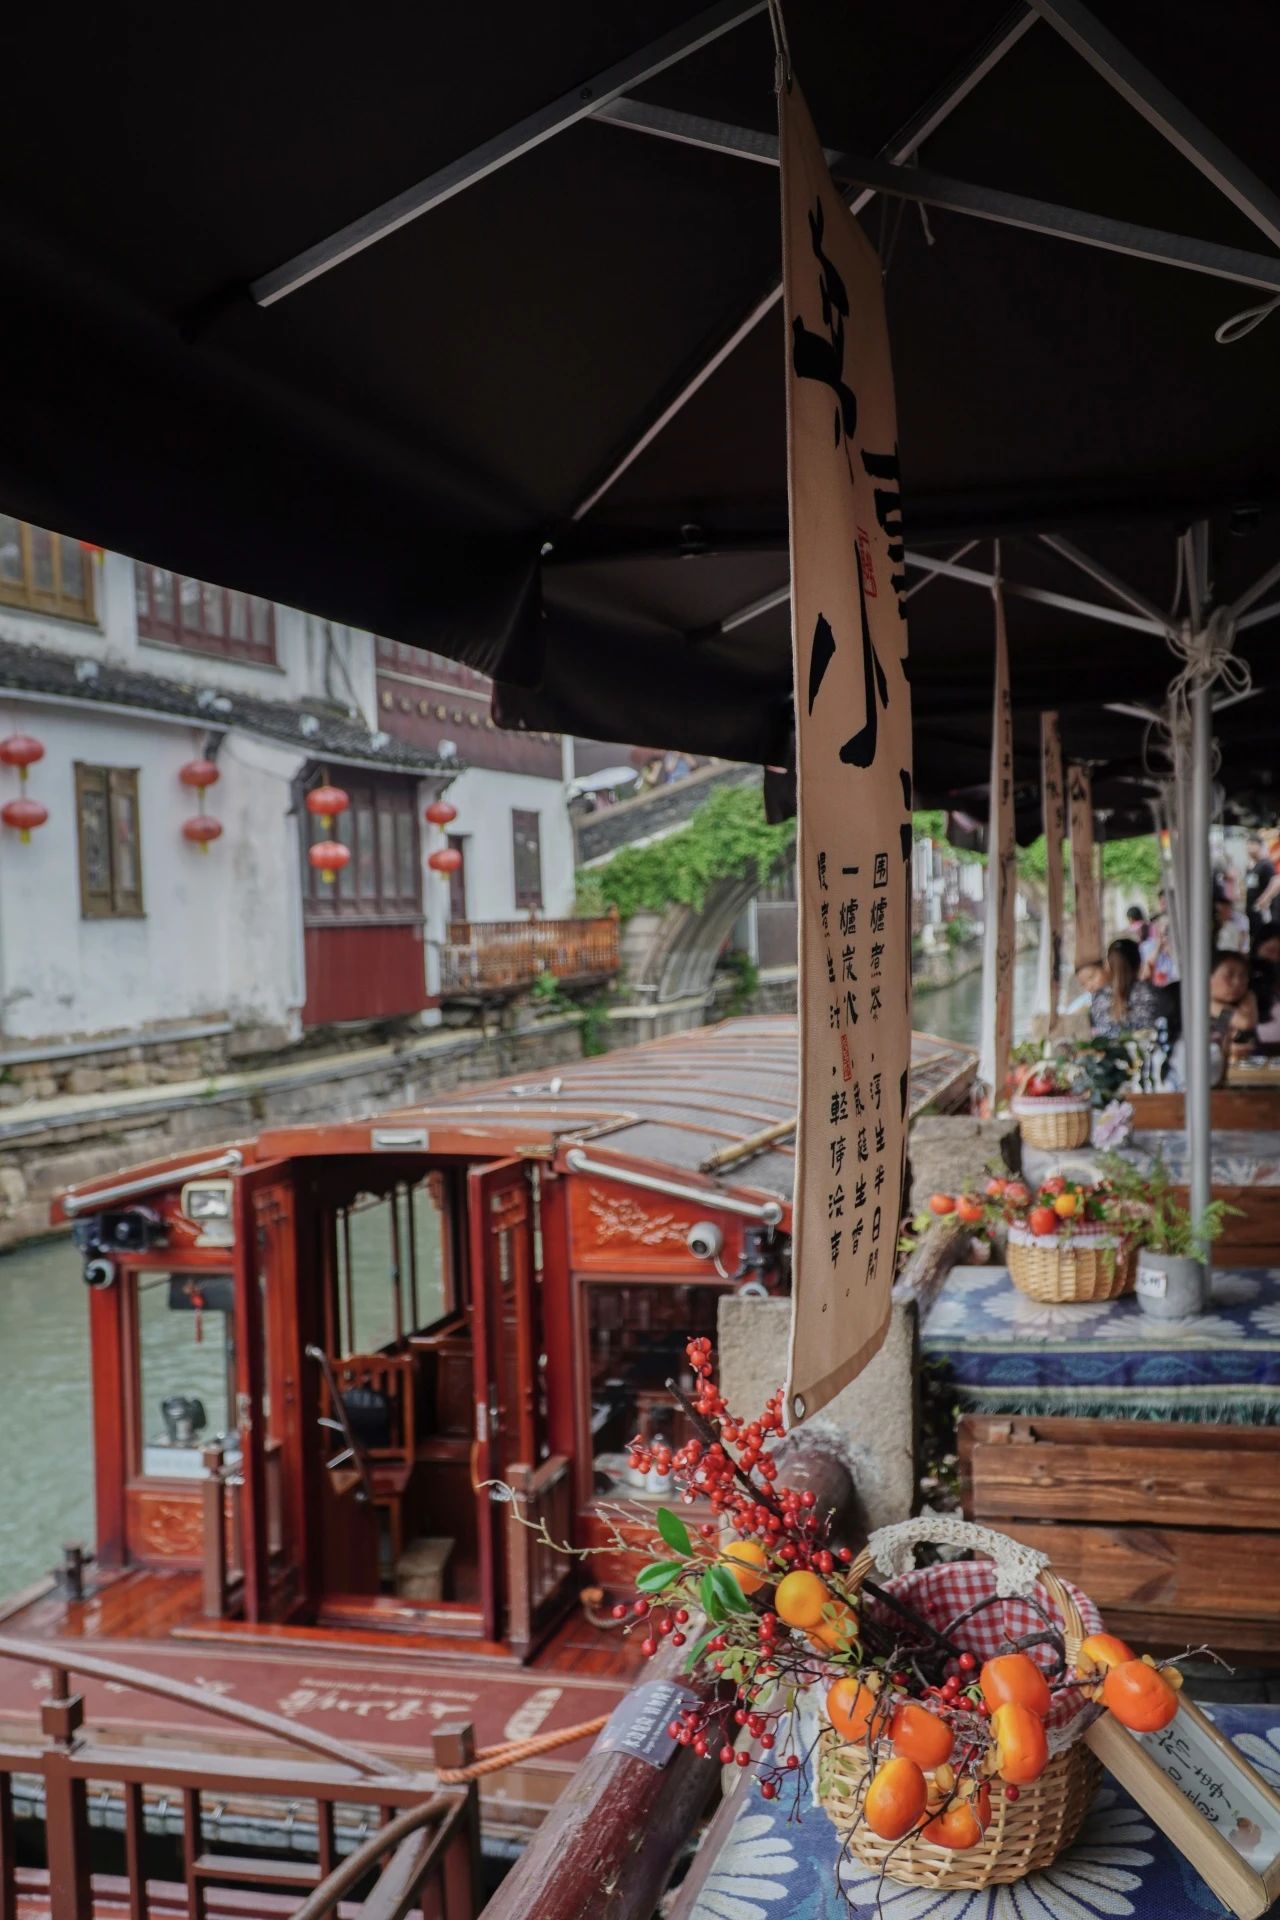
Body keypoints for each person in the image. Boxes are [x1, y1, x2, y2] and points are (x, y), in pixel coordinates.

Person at [1078, 937, 1162, 1039]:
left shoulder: (1098, 1005)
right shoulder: (1146, 991)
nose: (1090, 984)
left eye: (1092, 977)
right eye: (1084, 984)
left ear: (1106, 966)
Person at [1209, 949, 1260, 1058]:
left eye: (1243, 976)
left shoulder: (1244, 999)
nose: (1237, 982)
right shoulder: (1193, 1005)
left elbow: (1245, 1022)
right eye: (1229, 975)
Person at [1246, 834, 1280, 935]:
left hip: (1263, 912)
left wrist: (1264, 899)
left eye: (1252, 844)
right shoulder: (1251, 866)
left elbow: (1276, 881)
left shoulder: (1266, 864)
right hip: (1252, 911)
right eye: (1247, 844)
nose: (1248, 847)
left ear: (1259, 846)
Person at [1213, 885, 1250, 955]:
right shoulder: (1217, 923)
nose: (1219, 914)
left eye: (1223, 911)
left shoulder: (1239, 921)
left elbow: (1242, 940)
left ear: (1229, 908)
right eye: (1218, 912)